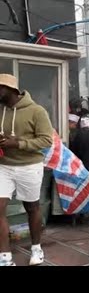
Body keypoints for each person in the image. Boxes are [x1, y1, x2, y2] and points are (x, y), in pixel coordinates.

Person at [0, 74, 53, 266]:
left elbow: (47, 140)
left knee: (32, 208)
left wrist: (19, 143)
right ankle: (4, 257)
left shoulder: (36, 111)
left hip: (29, 166)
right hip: (3, 166)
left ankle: (37, 248)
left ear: (11, 89)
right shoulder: (1, 110)